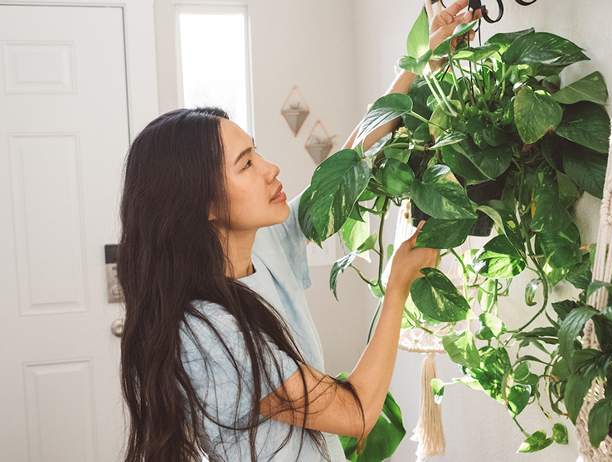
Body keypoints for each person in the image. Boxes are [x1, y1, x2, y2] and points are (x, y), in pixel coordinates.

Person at [117, 1, 481, 461]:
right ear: (202, 204)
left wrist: (419, 63)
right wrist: (396, 289)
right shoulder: (210, 331)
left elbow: (344, 170)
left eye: (258, 152)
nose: (271, 169)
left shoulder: (260, 247)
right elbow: (356, 412)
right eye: (246, 164)